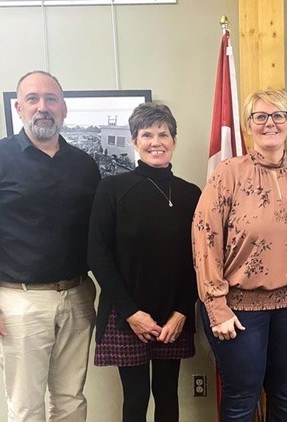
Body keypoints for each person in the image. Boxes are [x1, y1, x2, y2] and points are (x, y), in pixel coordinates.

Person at [0, 70, 100, 421]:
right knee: (25, 406)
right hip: (19, 302)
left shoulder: (83, 165)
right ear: (19, 108)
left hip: (78, 296)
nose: (42, 107)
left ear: (63, 109)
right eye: (33, 99)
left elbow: (101, 233)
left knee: (71, 400)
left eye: (51, 99)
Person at [192, 88, 287, 421]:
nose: (269, 123)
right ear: (248, 125)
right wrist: (216, 306)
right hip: (241, 309)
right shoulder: (227, 174)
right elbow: (205, 239)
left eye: (278, 116)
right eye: (260, 116)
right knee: (242, 397)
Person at [87, 103, 200, 422]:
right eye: (147, 134)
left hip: (173, 315)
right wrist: (131, 313)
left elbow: (199, 260)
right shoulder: (111, 189)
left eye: (163, 134)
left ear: (174, 141)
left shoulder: (191, 194)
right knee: (135, 399)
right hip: (127, 315)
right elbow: (98, 254)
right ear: (135, 141)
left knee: (167, 396)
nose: (156, 141)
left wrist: (181, 311)